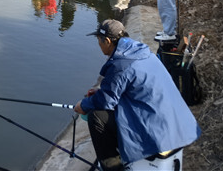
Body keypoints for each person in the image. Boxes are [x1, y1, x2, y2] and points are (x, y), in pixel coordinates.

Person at [74, 19, 200, 171]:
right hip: (178, 123)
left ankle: (112, 167)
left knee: (97, 118)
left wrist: (83, 105)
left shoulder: (120, 63)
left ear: (107, 41)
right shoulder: (140, 51)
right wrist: (100, 92)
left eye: (99, 41)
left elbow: (104, 101)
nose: (99, 45)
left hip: (158, 131)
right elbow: (126, 86)